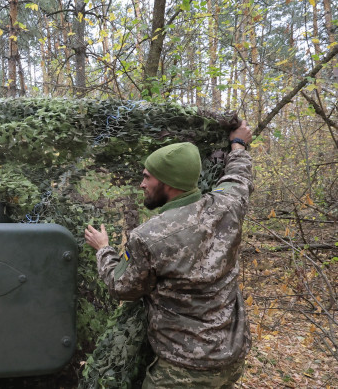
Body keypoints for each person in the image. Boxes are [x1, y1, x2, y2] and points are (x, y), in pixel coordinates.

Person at [84, 121, 254, 388]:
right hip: (231, 358)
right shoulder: (228, 206)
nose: (142, 184)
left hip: (183, 371)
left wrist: (103, 249)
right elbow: (238, 176)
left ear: (168, 183)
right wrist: (238, 144)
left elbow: (122, 287)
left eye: (147, 177)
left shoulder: (149, 236)